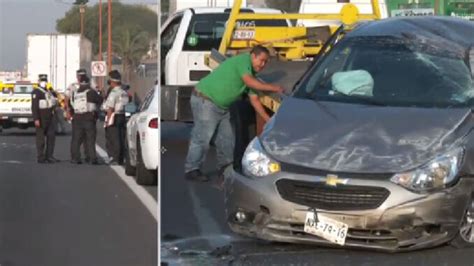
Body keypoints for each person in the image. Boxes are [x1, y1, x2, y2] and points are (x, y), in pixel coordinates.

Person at [184, 45, 283, 182]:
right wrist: (274, 88)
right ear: (253, 56)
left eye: (266, 62)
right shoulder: (243, 61)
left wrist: (267, 119)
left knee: (227, 139)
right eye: (262, 60)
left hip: (222, 107)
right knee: (202, 137)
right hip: (205, 100)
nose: (263, 64)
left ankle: (225, 169)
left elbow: (254, 100)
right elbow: (249, 82)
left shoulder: (251, 75)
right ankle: (192, 169)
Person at [70, 75, 103, 164]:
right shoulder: (91, 92)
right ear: (88, 82)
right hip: (88, 118)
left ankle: (75, 158)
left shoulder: (75, 93)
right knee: (90, 139)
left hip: (77, 118)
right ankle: (92, 158)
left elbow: (71, 105)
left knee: (76, 139)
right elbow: (100, 100)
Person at [102, 70, 129, 165]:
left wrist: (108, 120)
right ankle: (121, 158)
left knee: (113, 138)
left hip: (114, 115)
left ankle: (114, 158)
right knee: (121, 137)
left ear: (112, 81)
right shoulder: (124, 92)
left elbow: (110, 108)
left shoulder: (114, 93)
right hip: (122, 115)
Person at [32, 74, 59, 163]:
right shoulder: (36, 92)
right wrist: (36, 119)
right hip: (41, 116)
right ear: (39, 82)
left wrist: (52, 90)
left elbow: (55, 99)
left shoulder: (48, 91)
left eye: (45, 80)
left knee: (51, 137)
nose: (44, 82)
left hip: (50, 116)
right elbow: (34, 107)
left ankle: (49, 156)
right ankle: (40, 157)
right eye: (42, 80)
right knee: (41, 138)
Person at [65, 69, 91, 162]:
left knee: (88, 137)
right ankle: (75, 157)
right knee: (77, 136)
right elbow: (67, 98)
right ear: (77, 76)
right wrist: (68, 111)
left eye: (82, 75)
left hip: (88, 113)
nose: (80, 77)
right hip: (76, 113)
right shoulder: (72, 86)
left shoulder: (91, 85)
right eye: (79, 75)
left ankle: (89, 155)